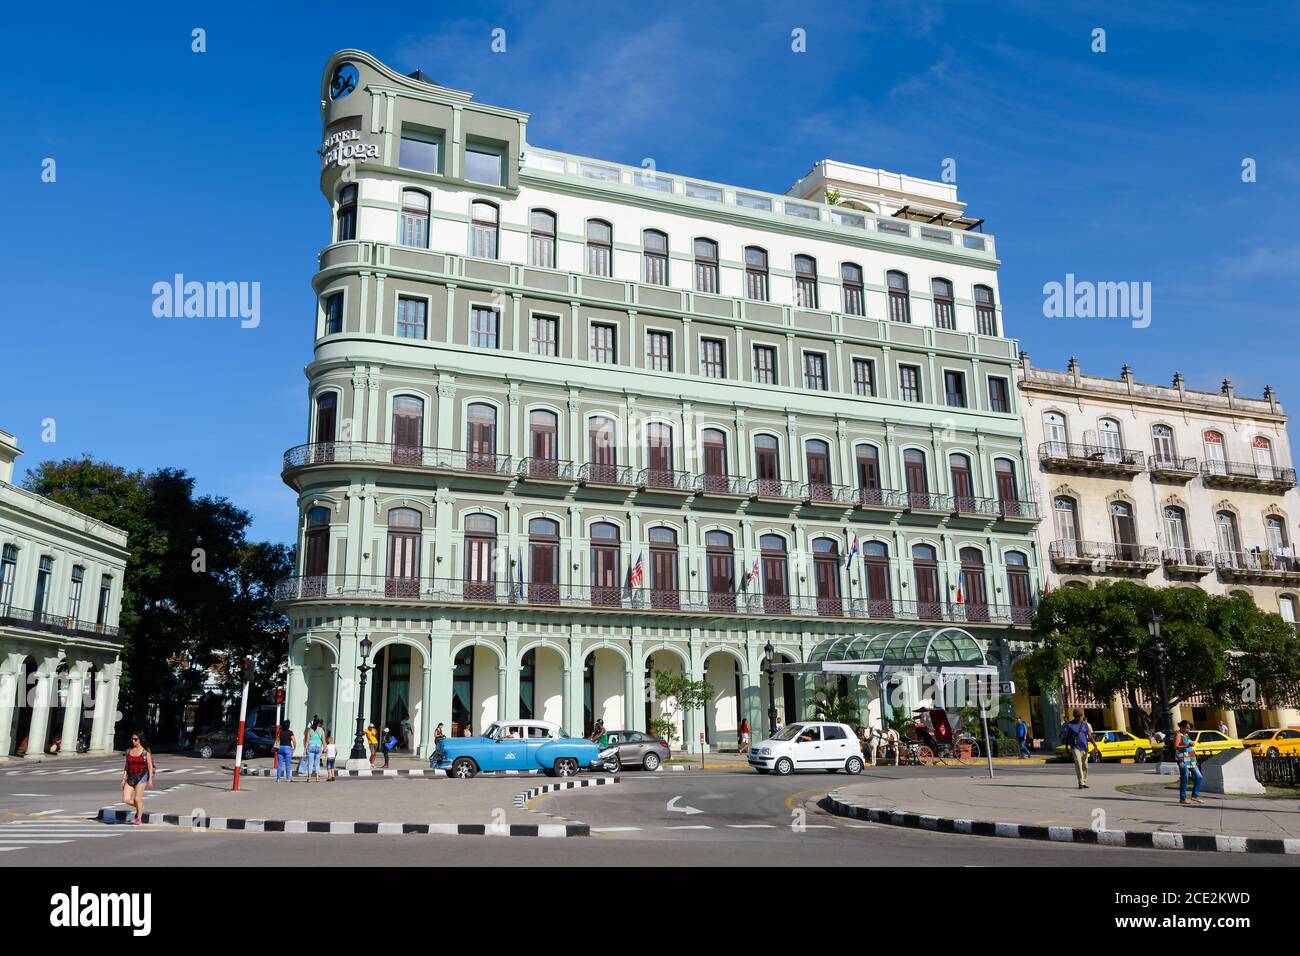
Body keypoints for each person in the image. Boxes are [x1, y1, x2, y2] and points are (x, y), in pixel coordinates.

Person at [119, 731, 155, 825]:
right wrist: (123, 779)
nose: (133, 741)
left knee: (137, 799)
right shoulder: (128, 751)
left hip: (142, 776)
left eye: (135, 739)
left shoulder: (145, 752)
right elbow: (126, 766)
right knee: (125, 799)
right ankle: (140, 807)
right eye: (132, 739)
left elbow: (150, 766)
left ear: (140, 740)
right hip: (130, 776)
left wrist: (150, 779)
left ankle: (138, 818)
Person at [1175, 720, 1204, 805]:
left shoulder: (1186, 735)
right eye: (1187, 728)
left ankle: (1195, 795)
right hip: (1182, 758)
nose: (1188, 730)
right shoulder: (1178, 734)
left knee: (1199, 776)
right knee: (1185, 778)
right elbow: (1176, 746)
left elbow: (1187, 744)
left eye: (1189, 728)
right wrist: (1188, 745)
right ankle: (1183, 798)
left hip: (1190, 756)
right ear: (1182, 727)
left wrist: (1191, 745)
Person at [1063, 709, 1094, 789]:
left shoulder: (1085, 725)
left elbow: (1089, 735)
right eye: (1078, 716)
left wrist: (1095, 745)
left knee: (1085, 766)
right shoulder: (1069, 725)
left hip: (1085, 747)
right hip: (1075, 747)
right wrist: (1067, 747)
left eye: (1081, 716)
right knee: (1078, 764)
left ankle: (1084, 781)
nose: (1080, 718)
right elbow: (1067, 737)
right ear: (1074, 716)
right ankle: (1080, 783)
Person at [305, 718, 325, 783]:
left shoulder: (309, 730)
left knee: (310, 763)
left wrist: (305, 749)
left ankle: (309, 778)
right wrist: (325, 747)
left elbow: (307, 741)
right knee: (317, 763)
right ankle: (317, 778)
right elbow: (323, 740)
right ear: (318, 723)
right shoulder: (321, 729)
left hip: (311, 746)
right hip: (319, 746)